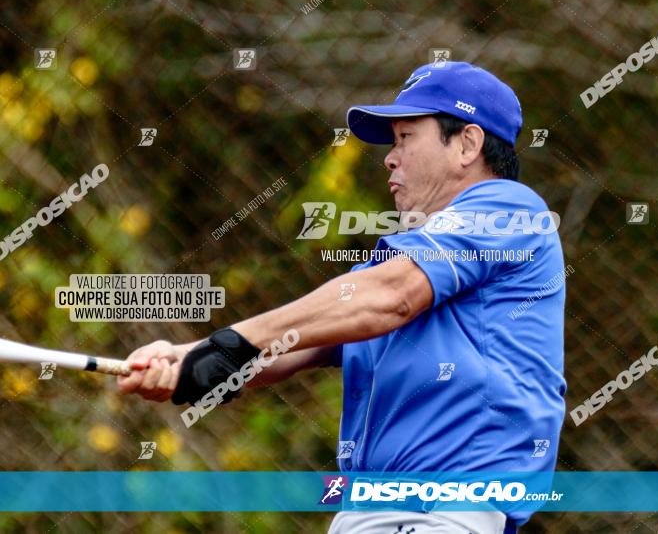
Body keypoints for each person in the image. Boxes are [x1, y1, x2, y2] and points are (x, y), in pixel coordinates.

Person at [117, 61, 567, 533]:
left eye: (406, 137)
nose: (390, 158)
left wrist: (235, 342)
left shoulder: (511, 210)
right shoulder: (395, 267)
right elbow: (296, 343)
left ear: (468, 144)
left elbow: (390, 297)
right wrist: (182, 361)